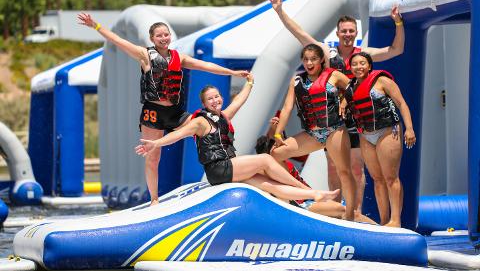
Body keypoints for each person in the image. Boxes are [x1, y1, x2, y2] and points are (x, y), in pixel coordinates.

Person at [78, 13, 249, 206]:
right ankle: (154, 199)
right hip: (153, 113)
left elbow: (206, 66)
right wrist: (96, 26)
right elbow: (118, 40)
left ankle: (223, 166)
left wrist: (232, 72)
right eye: (159, 36)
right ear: (152, 39)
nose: (164, 38)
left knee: (206, 126)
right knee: (153, 157)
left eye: (166, 35)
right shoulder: (145, 55)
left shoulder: (179, 57)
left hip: (175, 112)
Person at [266, 0, 404, 210]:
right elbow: (299, 33)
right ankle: (337, 210)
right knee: (334, 167)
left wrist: (398, 23)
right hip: (333, 120)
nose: (347, 34)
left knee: (357, 168)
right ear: (338, 34)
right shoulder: (327, 54)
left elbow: (396, 49)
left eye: (351, 31)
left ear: (355, 32)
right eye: (344, 31)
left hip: (358, 119)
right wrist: (280, 11)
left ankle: (356, 211)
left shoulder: (364, 54)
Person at [135, 75, 340, 203]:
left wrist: (249, 83)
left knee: (268, 185)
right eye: (210, 99)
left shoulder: (223, 116)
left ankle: (312, 198)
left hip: (227, 168)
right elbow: (177, 134)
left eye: (217, 96)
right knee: (265, 159)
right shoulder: (200, 122)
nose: (215, 100)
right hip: (219, 169)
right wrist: (155, 143)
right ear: (204, 104)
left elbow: (240, 100)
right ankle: (308, 190)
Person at [269, 44, 356, 220]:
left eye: (313, 59)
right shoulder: (296, 82)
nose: (309, 63)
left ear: (321, 60)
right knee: (275, 154)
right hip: (312, 134)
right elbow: (287, 108)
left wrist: (345, 101)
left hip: (334, 130)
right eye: (306, 59)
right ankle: (296, 195)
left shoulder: (334, 75)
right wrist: (278, 133)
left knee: (344, 171)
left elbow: (354, 89)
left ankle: (350, 215)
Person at [344, 52, 415, 227]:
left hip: (387, 131)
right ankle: (384, 221)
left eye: (362, 63)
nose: (359, 67)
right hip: (366, 135)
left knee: (391, 177)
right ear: (350, 68)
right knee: (377, 179)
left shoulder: (382, 81)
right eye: (355, 64)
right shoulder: (349, 88)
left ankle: (396, 220)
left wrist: (410, 129)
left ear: (369, 66)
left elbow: (401, 104)